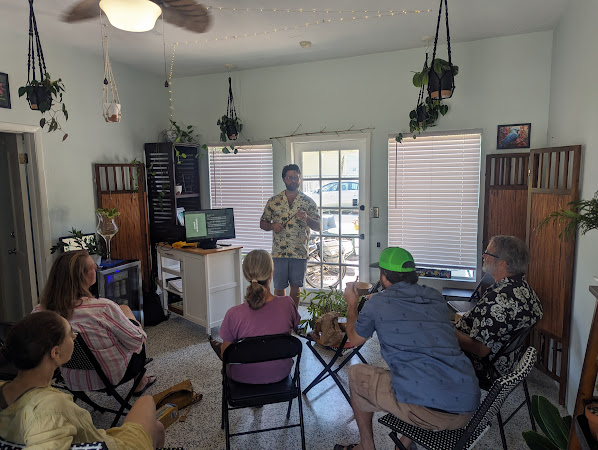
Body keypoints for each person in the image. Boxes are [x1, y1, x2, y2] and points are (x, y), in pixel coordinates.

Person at [335, 247, 480, 450]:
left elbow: (355, 339)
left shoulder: (377, 303)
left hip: (429, 413)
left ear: (384, 277)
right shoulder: (435, 296)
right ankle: (403, 444)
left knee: (356, 373)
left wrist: (352, 304)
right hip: (467, 406)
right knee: (417, 373)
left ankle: (365, 446)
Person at [0, 310, 164, 449]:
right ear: (55, 353)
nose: (74, 336)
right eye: (70, 333)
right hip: (109, 445)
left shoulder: (6, 390)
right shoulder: (47, 410)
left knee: (157, 428)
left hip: (95, 439)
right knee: (147, 402)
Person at [33, 250, 156, 394]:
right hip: (109, 376)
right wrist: (136, 327)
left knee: (123, 311)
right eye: (93, 267)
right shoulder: (103, 308)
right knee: (133, 326)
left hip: (71, 378)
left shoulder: (39, 313)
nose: (96, 269)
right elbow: (136, 342)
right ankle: (140, 381)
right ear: (82, 277)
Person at [455, 235, 543, 385]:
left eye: (487, 253)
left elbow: (481, 350)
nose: (483, 255)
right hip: (505, 364)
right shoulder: (525, 289)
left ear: (502, 264)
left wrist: (449, 333)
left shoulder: (498, 299)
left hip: (482, 368)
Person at [209, 249, 300, 383]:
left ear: (246, 275)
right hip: (280, 374)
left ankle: (216, 343)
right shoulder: (287, 304)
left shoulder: (234, 314)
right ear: (271, 273)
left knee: (225, 350)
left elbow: (226, 356)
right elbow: (295, 326)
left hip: (242, 377)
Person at [260, 164, 320, 307]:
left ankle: (293, 317)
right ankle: (281, 318)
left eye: (296, 177)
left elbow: (318, 226)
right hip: (279, 252)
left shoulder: (308, 202)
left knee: (296, 286)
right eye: (290, 177)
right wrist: (272, 226)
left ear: (300, 179)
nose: (293, 180)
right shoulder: (273, 201)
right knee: (279, 287)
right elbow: (263, 223)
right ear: (284, 179)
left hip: (299, 252)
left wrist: (307, 218)